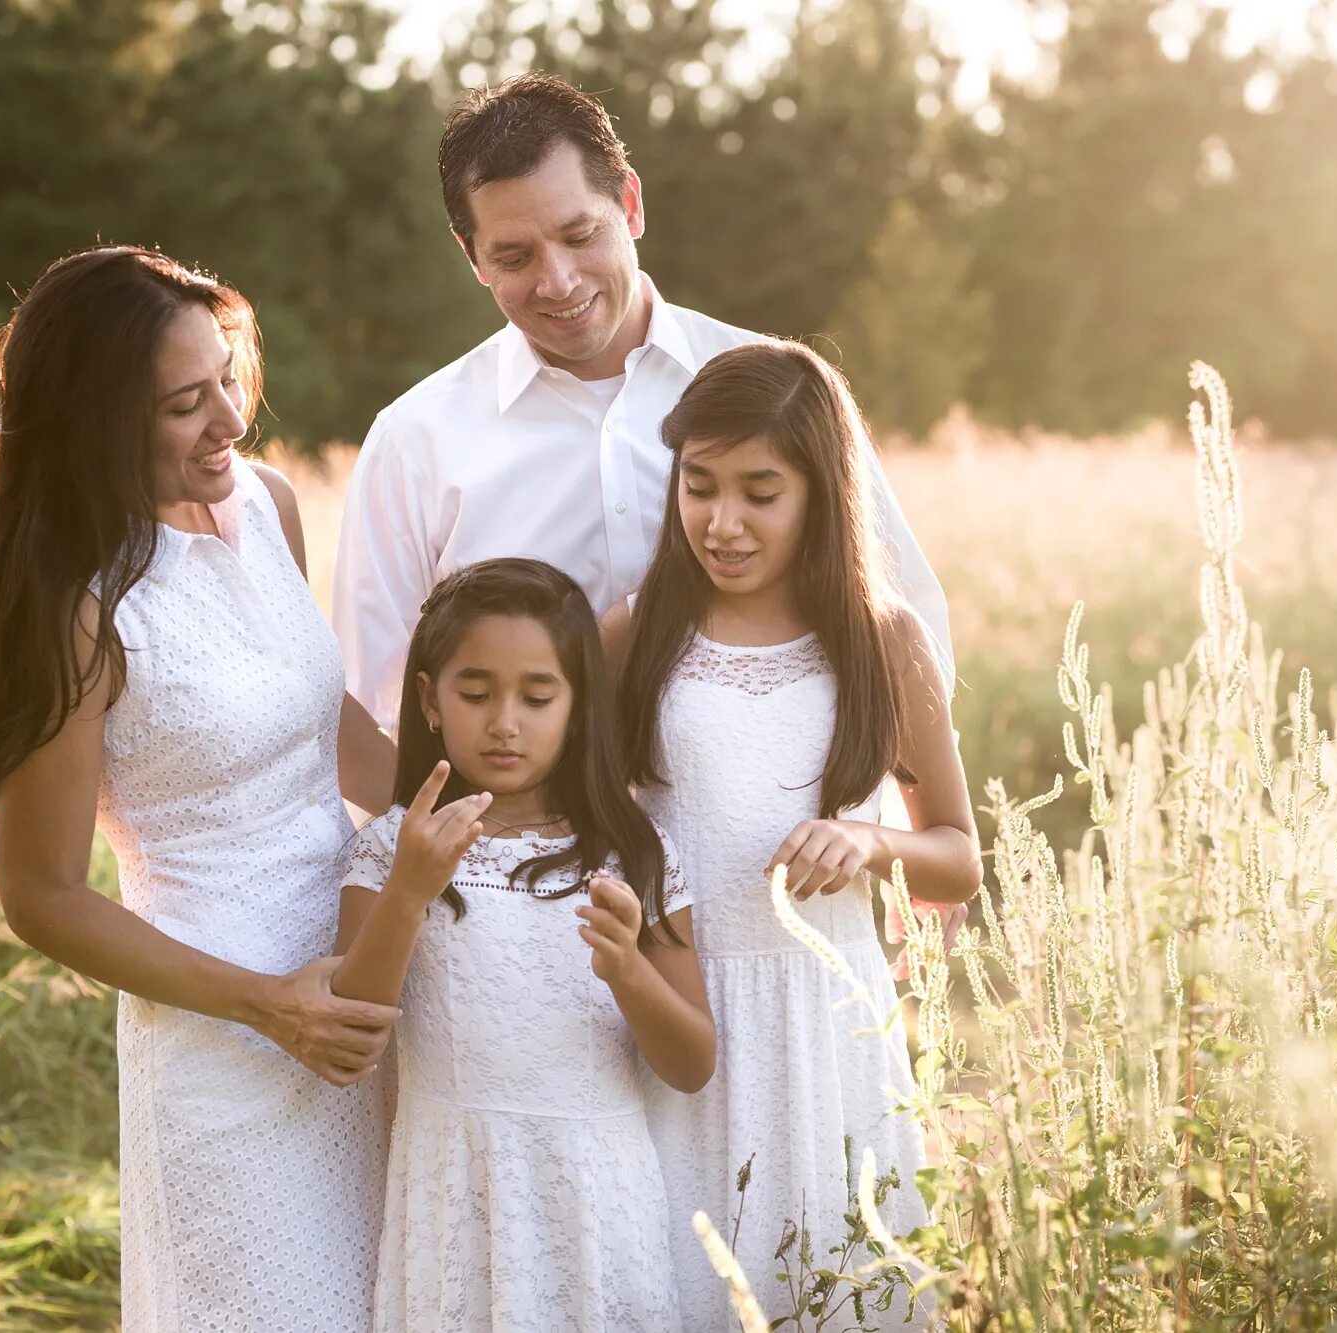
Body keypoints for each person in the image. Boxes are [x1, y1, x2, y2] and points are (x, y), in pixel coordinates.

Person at [0, 246, 396, 1332]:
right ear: (98, 421)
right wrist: (266, 1004)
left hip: (353, 982)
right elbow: (42, 895)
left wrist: (487, 818)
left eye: (229, 382)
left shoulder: (272, 506)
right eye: (185, 406)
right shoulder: (76, 604)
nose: (231, 426)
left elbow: (318, 720)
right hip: (224, 1031)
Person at [329, 72, 951, 737]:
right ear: (473, 257)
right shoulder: (414, 440)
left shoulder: (791, 391)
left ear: (629, 204)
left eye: (579, 235)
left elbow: (899, 625)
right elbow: (375, 711)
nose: (558, 280)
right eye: (514, 256)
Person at [606, 340, 981, 1329]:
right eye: (700, 486)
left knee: (838, 1280)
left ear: (819, 491)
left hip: (828, 1021)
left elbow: (958, 853)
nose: (721, 522)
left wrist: (873, 845)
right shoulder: (637, 633)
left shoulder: (880, 639)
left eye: (758, 492)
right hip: (690, 1019)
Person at [333, 558, 714, 1332]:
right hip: (453, 1194)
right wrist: (408, 889)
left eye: (538, 696)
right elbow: (351, 1038)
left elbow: (692, 1064)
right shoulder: (389, 850)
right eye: (475, 693)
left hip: (594, 1199)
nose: (505, 720)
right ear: (428, 700)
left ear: (578, 707)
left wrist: (629, 970)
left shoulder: (633, 855)